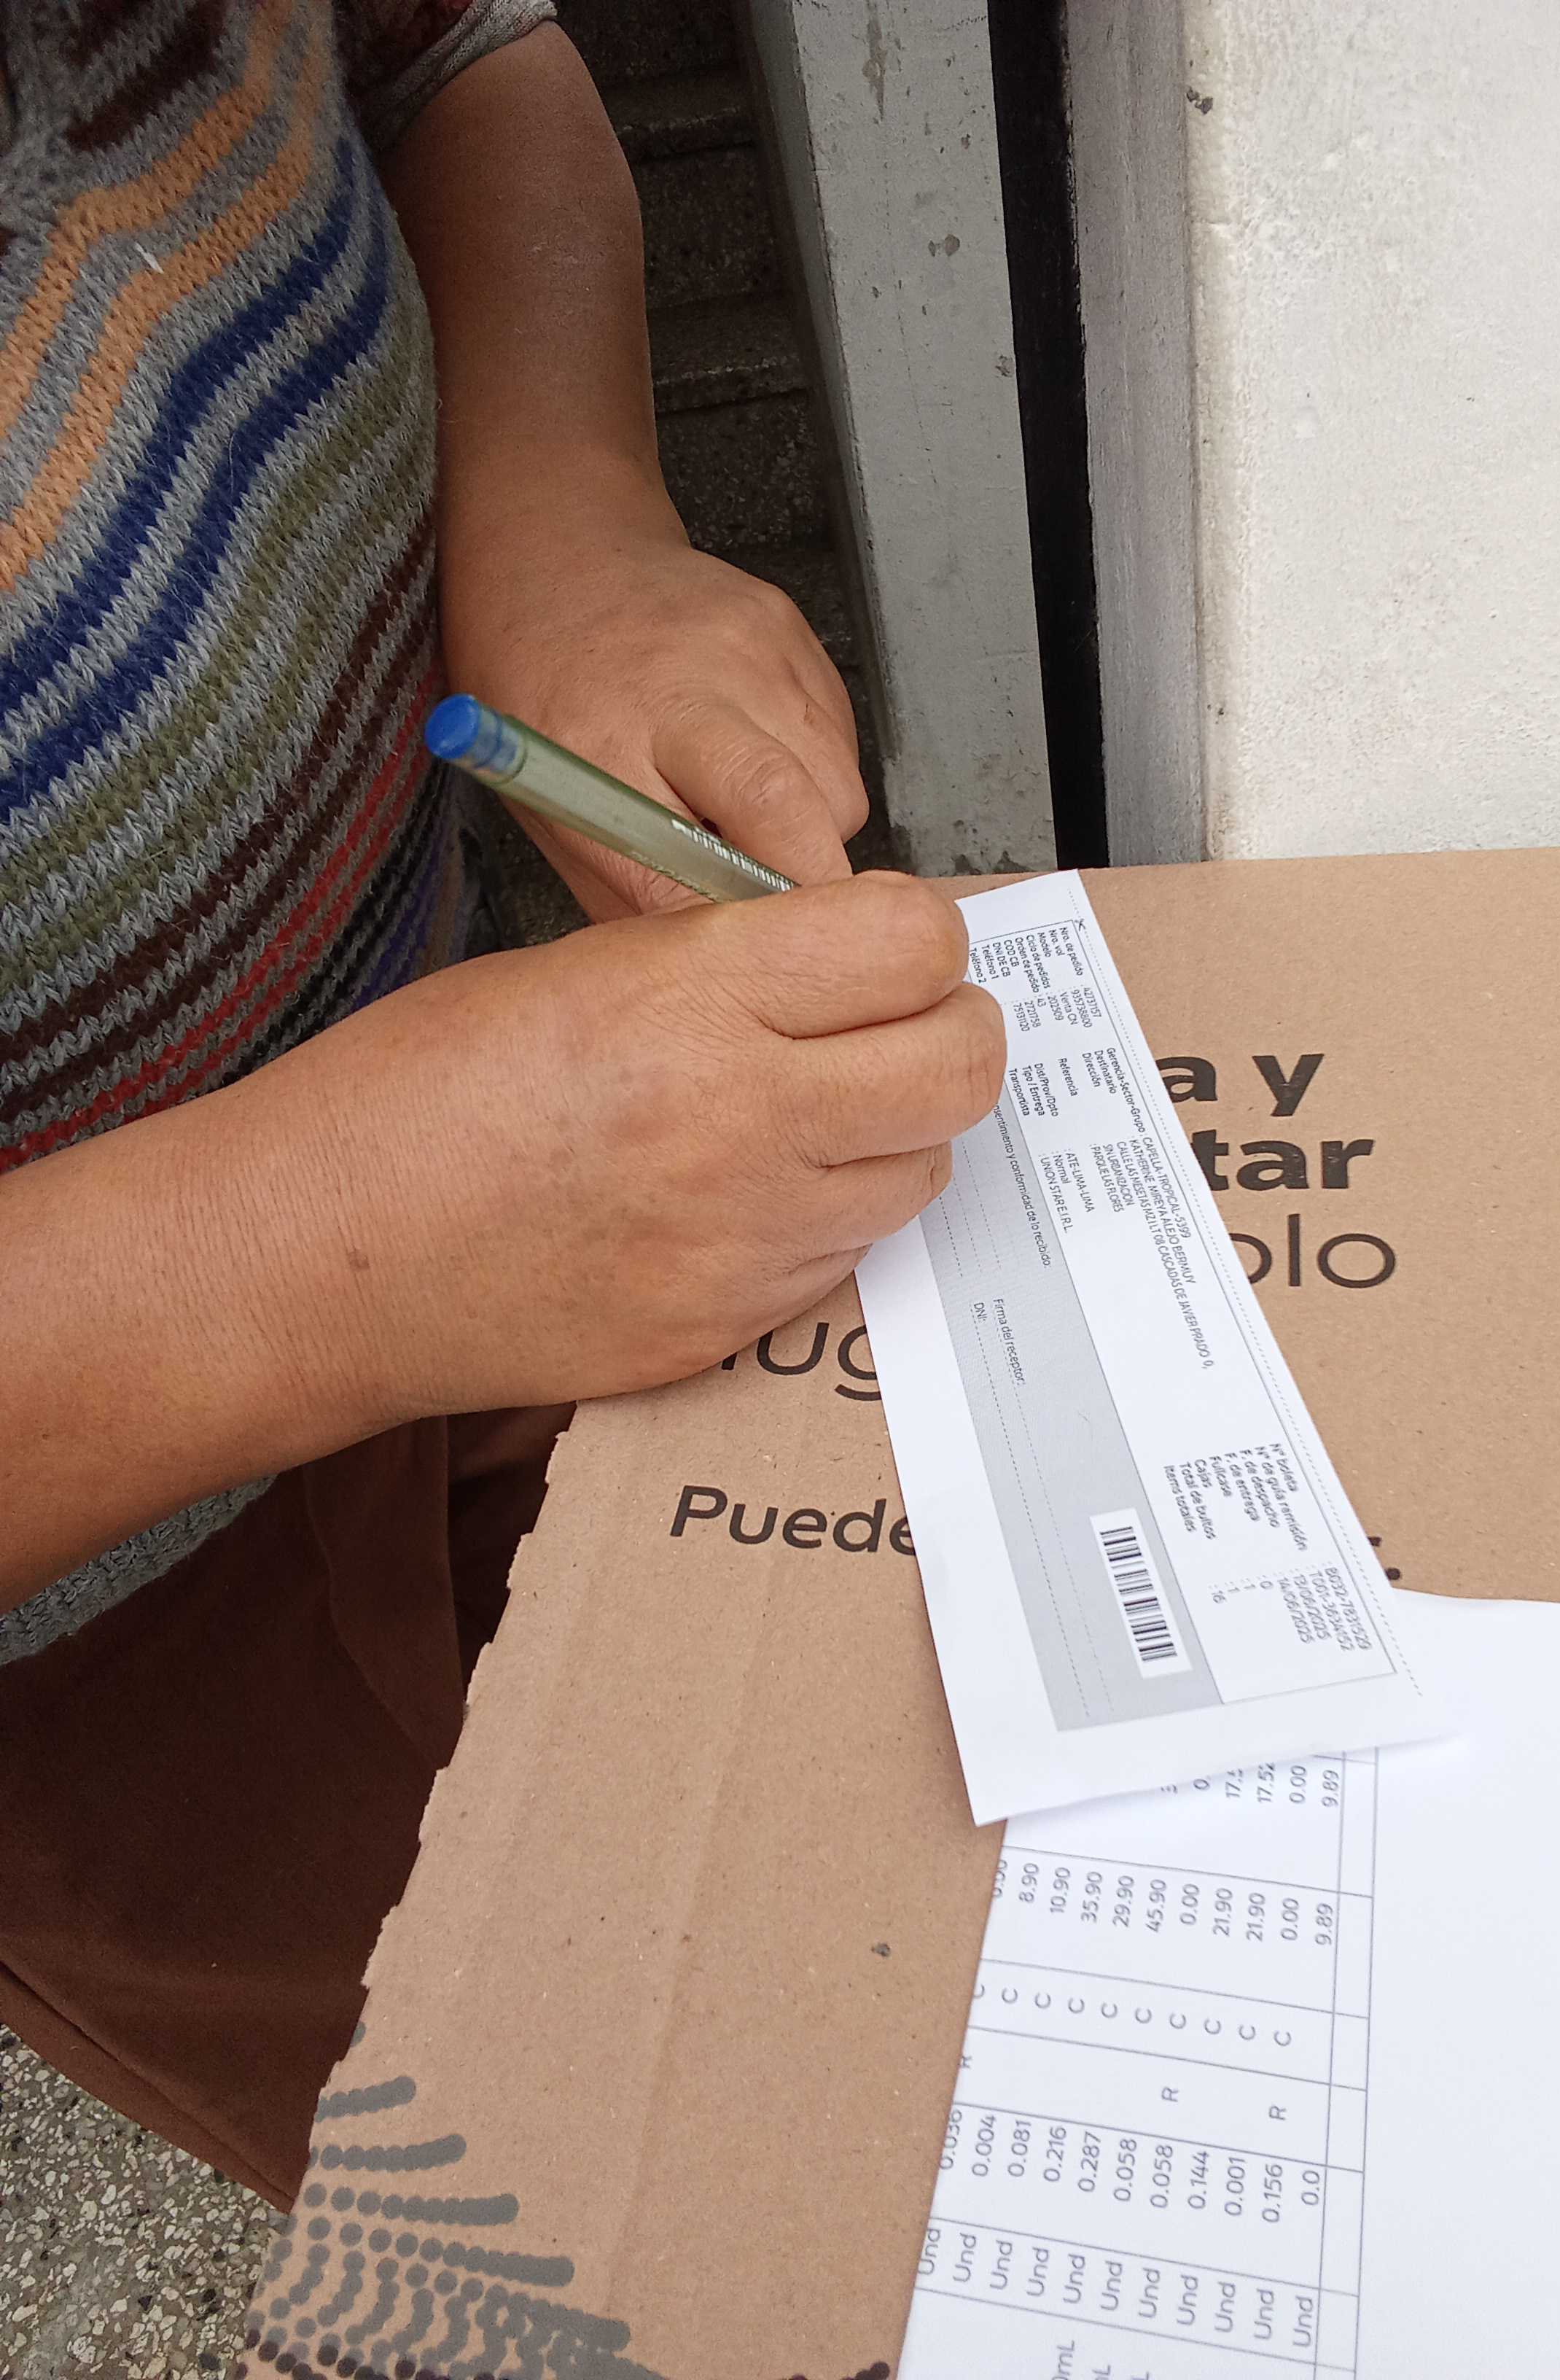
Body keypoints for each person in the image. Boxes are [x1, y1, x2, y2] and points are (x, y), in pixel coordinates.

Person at [0, 1, 1003, 2208]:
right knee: (569, 2140)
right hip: (114, 1634)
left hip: (506, 1138)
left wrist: (564, 513)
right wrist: (312, 1252)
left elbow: (454, 49)